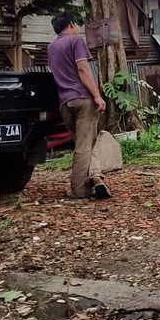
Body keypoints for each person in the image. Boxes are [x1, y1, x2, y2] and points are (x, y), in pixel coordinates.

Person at [46, 11, 111, 200]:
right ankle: (79, 190)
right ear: (72, 25)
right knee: (84, 147)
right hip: (83, 99)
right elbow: (83, 68)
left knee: (87, 142)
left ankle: (96, 177)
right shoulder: (76, 41)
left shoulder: (51, 47)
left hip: (65, 102)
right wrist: (97, 96)